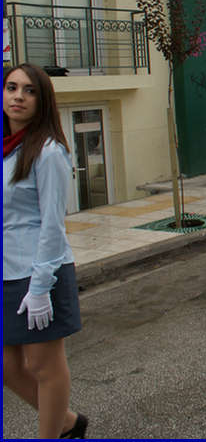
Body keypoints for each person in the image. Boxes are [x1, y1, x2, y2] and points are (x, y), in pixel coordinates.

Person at [3, 63, 88, 439]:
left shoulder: (48, 151)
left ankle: (52, 434)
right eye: (11, 87)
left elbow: (52, 225)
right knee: (7, 368)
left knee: (43, 366)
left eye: (29, 90)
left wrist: (40, 287)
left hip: (39, 272)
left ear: (42, 101)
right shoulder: (6, 150)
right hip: (7, 272)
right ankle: (67, 422)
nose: (18, 96)